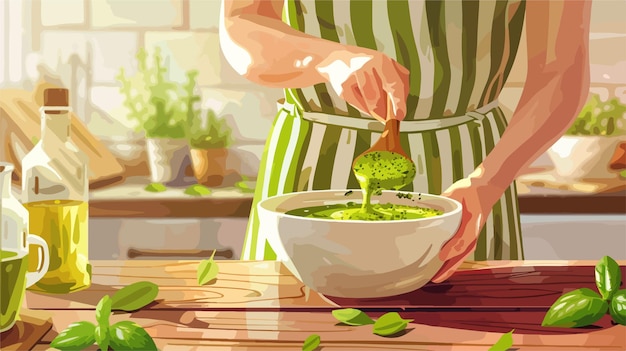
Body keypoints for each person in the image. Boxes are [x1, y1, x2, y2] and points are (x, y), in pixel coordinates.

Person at [219, 0, 591, 282]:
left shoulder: (483, 180)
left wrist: (488, 181)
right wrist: (327, 59)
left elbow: (560, 70)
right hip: (312, 159)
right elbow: (241, 26)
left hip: (473, 173)